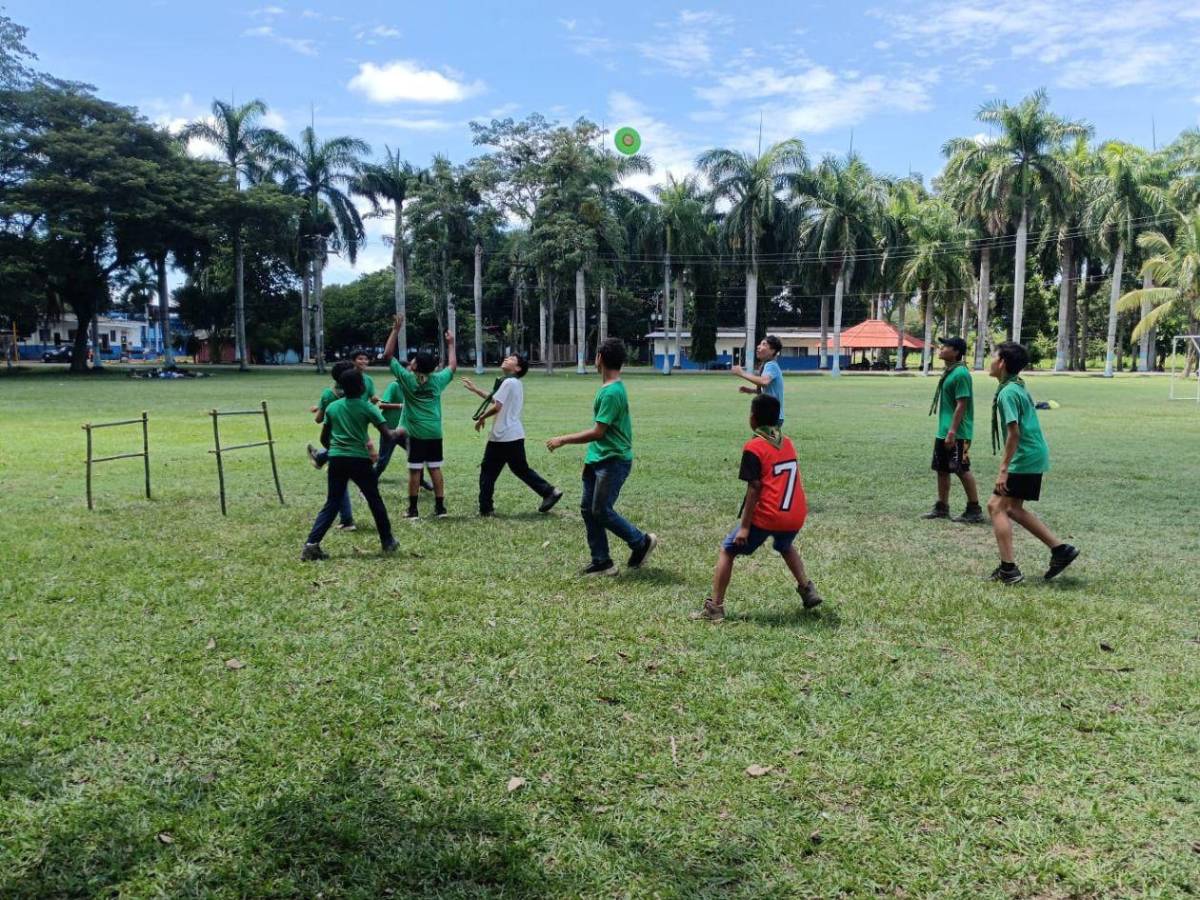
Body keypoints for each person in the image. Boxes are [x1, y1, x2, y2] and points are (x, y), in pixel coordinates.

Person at [693, 394, 822, 621]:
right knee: (785, 545)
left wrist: (744, 527)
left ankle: (715, 608)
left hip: (769, 515)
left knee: (727, 550)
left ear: (752, 418)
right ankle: (807, 589)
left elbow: (754, 488)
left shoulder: (754, 447)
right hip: (795, 514)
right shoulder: (788, 441)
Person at [546, 338, 657, 576]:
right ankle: (602, 561)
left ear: (600, 359)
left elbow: (598, 431)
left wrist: (563, 439)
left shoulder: (612, 393)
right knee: (588, 509)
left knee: (602, 510)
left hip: (614, 460)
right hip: (598, 459)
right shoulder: (609, 389)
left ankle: (641, 542)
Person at [986, 342, 1079, 584]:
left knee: (996, 507)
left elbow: (1014, 433)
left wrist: (1003, 470)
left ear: (1002, 363)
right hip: (1035, 453)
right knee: (1013, 508)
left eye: (993, 355)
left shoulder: (1007, 392)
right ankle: (1060, 550)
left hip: (1024, 455)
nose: (990, 360)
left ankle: (1009, 569)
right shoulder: (1017, 386)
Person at [301, 369, 403, 560]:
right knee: (374, 500)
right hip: (359, 460)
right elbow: (388, 434)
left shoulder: (333, 408)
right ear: (362, 386)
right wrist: (401, 431)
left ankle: (311, 544)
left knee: (332, 502)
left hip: (338, 459)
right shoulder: (367, 407)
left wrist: (338, 448)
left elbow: (324, 438)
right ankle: (388, 541)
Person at [462, 352, 563, 517]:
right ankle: (550, 492)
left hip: (502, 436)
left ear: (517, 368)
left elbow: (497, 407)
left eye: (511, 359)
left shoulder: (509, 382)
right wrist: (475, 390)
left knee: (488, 471)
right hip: (513, 435)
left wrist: (482, 417)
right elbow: (495, 399)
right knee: (520, 469)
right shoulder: (513, 383)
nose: (506, 359)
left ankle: (486, 508)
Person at [384, 314, 455, 518]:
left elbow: (388, 355)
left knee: (415, 471)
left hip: (416, 434)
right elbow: (452, 366)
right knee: (435, 469)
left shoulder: (407, 379)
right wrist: (451, 344)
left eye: (413, 360)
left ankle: (413, 510)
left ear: (414, 366)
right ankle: (440, 508)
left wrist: (396, 330)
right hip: (435, 432)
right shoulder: (437, 381)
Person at [923, 336, 984, 524]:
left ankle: (974, 509)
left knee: (961, 469)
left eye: (946, 346)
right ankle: (942, 507)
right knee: (942, 469)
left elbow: (961, 405)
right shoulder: (950, 372)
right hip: (944, 430)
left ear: (956, 351)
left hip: (957, 432)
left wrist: (952, 432)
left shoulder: (961, 374)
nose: (941, 348)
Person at [306, 360, 361, 531]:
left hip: (335, 443)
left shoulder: (328, 394)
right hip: (356, 439)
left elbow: (319, 420)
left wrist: (320, 407)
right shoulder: (359, 393)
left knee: (339, 482)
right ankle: (320, 457)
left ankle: (347, 520)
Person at [732, 335, 786, 426]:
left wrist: (742, 373)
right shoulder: (768, 365)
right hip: (770, 415)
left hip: (772, 416)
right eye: (760, 344)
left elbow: (764, 382)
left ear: (772, 351)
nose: (758, 346)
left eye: (764, 344)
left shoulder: (771, 365)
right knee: (763, 439)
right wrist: (751, 390)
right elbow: (767, 389)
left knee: (763, 440)